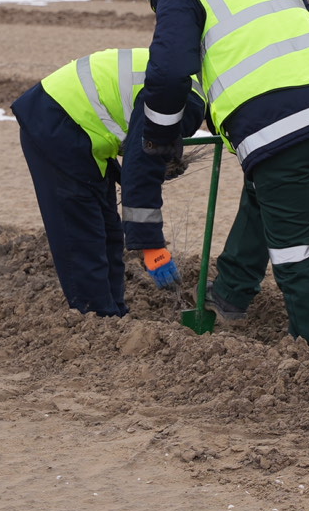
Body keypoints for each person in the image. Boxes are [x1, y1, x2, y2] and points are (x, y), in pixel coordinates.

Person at [128, 0, 309, 358]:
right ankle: (231, 292)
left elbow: (170, 72)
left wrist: (160, 139)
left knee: (292, 249)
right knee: (263, 188)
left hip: (278, 123)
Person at [13, 48, 206, 316]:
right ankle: (95, 319)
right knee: (83, 232)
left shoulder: (181, 77)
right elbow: (140, 171)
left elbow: (142, 140)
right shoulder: (185, 98)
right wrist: (152, 247)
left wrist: (166, 153)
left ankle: (115, 314)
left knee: (108, 231)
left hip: (78, 126)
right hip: (59, 121)